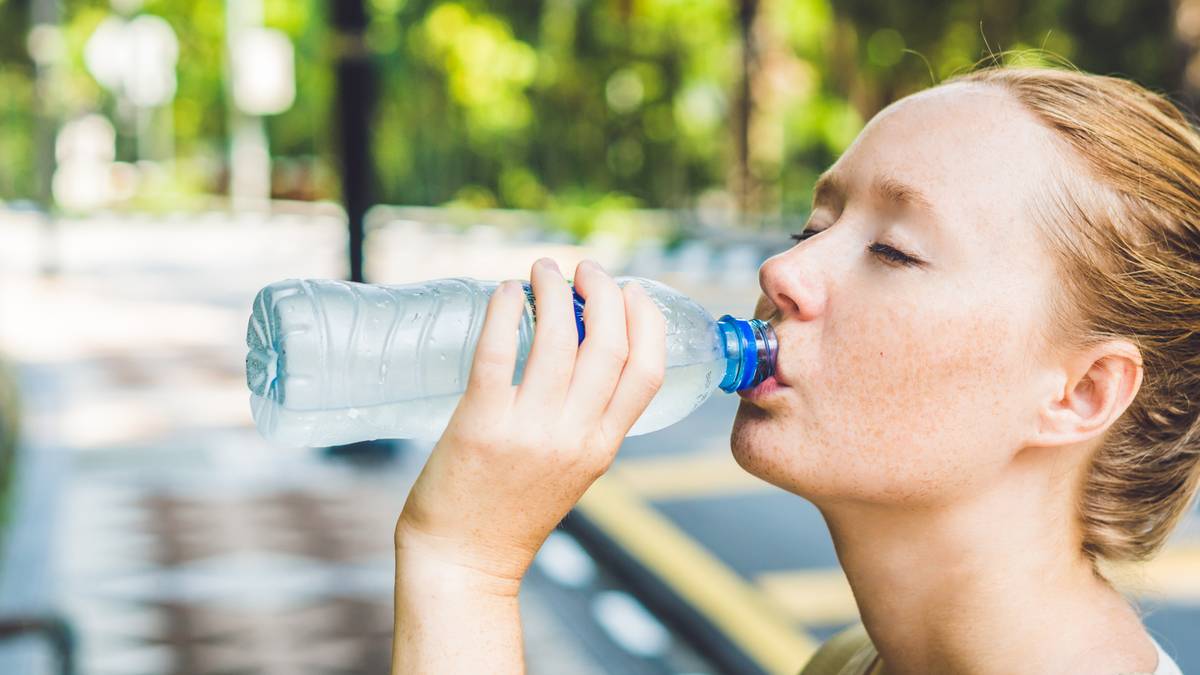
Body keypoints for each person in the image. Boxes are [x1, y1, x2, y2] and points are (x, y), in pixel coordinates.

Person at [390, 64, 1198, 675]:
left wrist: (462, 567)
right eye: (812, 224)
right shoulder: (850, 660)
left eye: (893, 250)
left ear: (1082, 392)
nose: (786, 270)